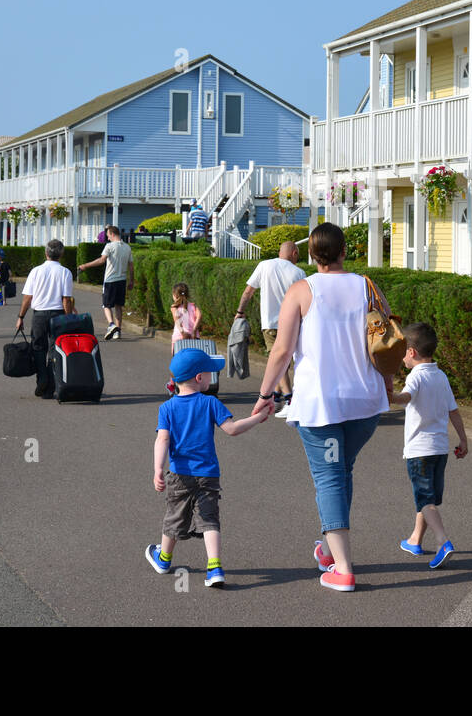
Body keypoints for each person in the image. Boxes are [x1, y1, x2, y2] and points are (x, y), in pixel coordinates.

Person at [252, 223, 393, 593]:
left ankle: (343, 568)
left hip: (321, 404)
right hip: (365, 402)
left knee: (329, 479)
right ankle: (331, 553)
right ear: (345, 250)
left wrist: (266, 394)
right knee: (341, 472)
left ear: (311, 256)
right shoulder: (368, 286)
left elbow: (282, 350)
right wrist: (389, 386)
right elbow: (386, 341)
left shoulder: (302, 290)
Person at [147, 348, 271, 587]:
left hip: (180, 475)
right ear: (198, 378)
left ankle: (163, 559)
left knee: (174, 517)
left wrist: (158, 470)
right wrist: (258, 417)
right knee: (209, 520)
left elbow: (162, 440)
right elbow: (232, 429)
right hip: (208, 474)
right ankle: (214, 568)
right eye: (209, 373)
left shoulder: (167, 408)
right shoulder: (210, 403)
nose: (212, 377)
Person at [387, 322, 468, 569]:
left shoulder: (416, 376)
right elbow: (453, 411)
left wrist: (389, 395)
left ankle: (443, 540)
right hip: (440, 449)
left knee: (425, 500)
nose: (401, 358)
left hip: (419, 450)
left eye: (402, 352)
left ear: (411, 352)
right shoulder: (440, 376)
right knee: (428, 498)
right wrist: (463, 440)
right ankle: (415, 539)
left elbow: (405, 398)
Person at [234, 241, 305, 418]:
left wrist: (240, 311)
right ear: (294, 253)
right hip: (294, 323)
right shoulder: (299, 272)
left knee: (278, 362)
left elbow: (248, 291)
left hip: (271, 323)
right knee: (287, 362)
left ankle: (289, 400)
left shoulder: (264, 265)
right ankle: (279, 396)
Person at [14, 239, 76, 397]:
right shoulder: (65, 272)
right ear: (61, 254)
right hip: (58, 314)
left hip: (39, 314)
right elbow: (66, 299)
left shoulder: (36, 271)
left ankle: (41, 378)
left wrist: (21, 316)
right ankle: (51, 385)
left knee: (38, 348)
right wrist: (68, 319)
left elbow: (28, 297)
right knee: (55, 349)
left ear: (46, 253)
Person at [77, 225, 134, 340]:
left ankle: (111, 325)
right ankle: (118, 331)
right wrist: (131, 280)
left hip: (110, 280)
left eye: (108, 235)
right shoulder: (127, 247)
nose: (107, 238)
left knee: (106, 305)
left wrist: (85, 265)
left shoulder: (109, 246)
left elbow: (101, 260)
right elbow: (131, 266)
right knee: (118, 306)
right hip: (122, 280)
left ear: (112, 234)